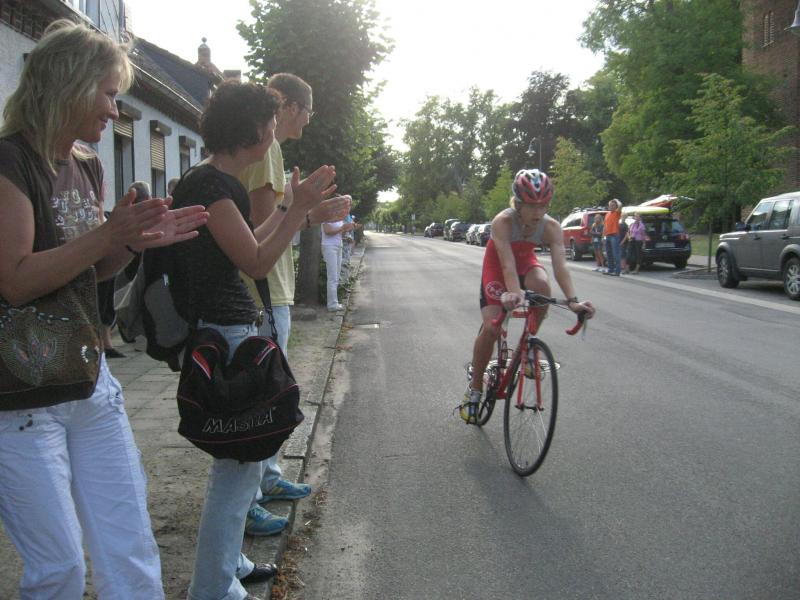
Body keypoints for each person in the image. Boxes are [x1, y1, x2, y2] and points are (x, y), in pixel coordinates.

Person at [0, 20, 207, 599]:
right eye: (109, 94)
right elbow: (15, 281)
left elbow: (90, 269)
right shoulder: (9, 162)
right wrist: (109, 233)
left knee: (129, 546)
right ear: (69, 83)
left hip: (90, 382)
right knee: (59, 569)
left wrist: (134, 243)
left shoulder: (87, 161)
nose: (116, 110)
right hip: (21, 399)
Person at [166, 79, 336, 600]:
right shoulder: (212, 188)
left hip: (227, 328)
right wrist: (296, 210)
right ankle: (213, 588)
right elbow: (257, 261)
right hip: (227, 334)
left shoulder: (215, 182)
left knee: (236, 466)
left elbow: (250, 242)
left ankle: (228, 565)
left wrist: (293, 211)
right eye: (270, 123)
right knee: (237, 470)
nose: (274, 132)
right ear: (255, 131)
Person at [237, 72, 349, 537]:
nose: (307, 120)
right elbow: (262, 229)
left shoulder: (270, 152)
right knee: (261, 401)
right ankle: (248, 501)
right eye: (307, 111)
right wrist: (307, 214)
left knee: (269, 397)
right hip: (262, 293)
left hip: (270, 291)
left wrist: (308, 213)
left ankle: (267, 478)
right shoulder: (268, 150)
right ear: (290, 108)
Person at [461, 169, 595, 422]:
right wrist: (513, 293)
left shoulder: (551, 227)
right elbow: (506, 265)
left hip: (526, 263)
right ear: (518, 203)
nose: (538, 212)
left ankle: (529, 345)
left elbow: (560, 267)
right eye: (532, 206)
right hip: (497, 267)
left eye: (544, 205)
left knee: (543, 286)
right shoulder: (503, 222)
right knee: (491, 328)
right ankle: (475, 389)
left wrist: (574, 302)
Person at [97, 180, 153, 358]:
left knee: (109, 302)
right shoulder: (127, 216)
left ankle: (107, 343)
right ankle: (107, 343)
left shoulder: (116, 214)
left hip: (116, 267)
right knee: (111, 302)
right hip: (117, 267)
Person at [321, 217, 355, 311]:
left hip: (338, 246)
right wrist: (342, 228)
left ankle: (334, 302)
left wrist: (347, 229)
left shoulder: (339, 219)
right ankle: (332, 304)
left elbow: (340, 234)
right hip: (329, 246)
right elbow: (327, 231)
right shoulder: (327, 216)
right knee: (332, 277)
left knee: (336, 276)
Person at [603, 199, 623, 276]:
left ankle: (617, 271)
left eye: (613, 205)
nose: (611, 206)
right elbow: (605, 226)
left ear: (615, 206)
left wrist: (616, 200)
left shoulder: (617, 213)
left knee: (616, 254)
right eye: (610, 205)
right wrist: (603, 236)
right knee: (609, 254)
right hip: (608, 235)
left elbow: (620, 205)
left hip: (614, 235)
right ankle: (610, 269)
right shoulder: (607, 214)